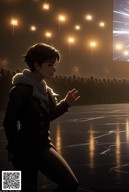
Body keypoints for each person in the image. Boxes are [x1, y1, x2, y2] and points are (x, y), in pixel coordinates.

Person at [3, 43, 80, 191]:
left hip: (43, 145)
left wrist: (66, 104)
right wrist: (14, 148)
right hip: (22, 149)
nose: (54, 69)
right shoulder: (20, 89)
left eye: (54, 64)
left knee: (71, 184)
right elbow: (9, 122)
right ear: (37, 65)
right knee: (12, 189)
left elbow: (47, 116)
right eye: (50, 65)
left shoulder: (45, 90)